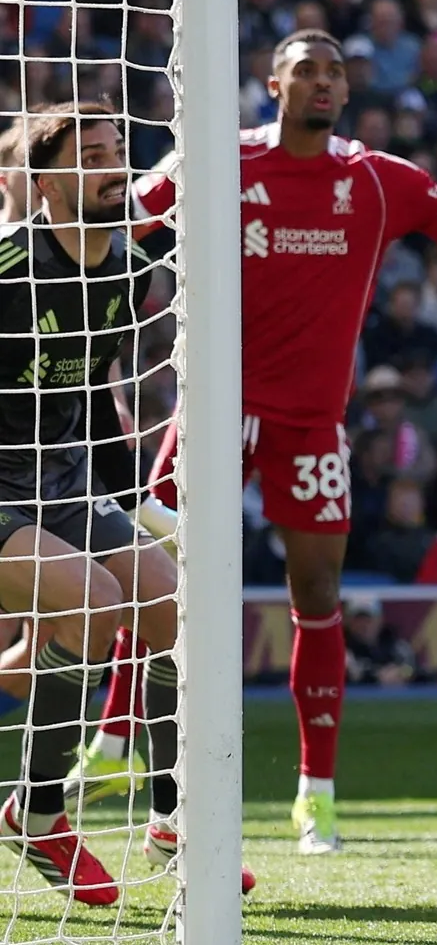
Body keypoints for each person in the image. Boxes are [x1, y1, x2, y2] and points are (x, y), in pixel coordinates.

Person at [97, 33, 437, 855]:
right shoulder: (217, 160)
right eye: (306, 71)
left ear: (347, 92)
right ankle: (113, 743)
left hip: (312, 423)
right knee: (150, 566)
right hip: (215, 411)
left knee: (317, 593)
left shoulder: (376, 179)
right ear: (272, 84)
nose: (322, 82)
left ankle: (315, 795)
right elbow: (120, 227)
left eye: (335, 73)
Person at [0, 105, 244, 902]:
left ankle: (174, 820)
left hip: (65, 485)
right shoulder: (9, 267)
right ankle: (37, 812)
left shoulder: (127, 269)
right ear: (44, 184)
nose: (115, 169)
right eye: (93, 156)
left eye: (118, 152)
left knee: (177, 610)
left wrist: (141, 503)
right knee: (97, 602)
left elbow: (96, 397)